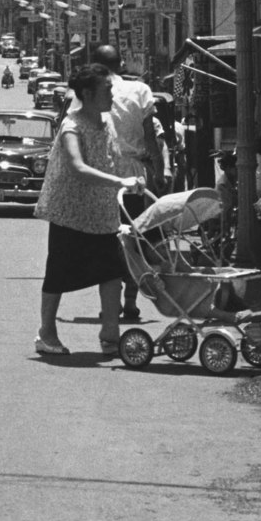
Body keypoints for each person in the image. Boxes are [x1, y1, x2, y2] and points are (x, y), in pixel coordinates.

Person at [32, 63, 145, 356]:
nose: (112, 94)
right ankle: (46, 333)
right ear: (87, 93)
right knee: (58, 272)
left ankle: (110, 333)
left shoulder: (105, 123)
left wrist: (135, 177)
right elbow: (78, 167)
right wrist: (121, 180)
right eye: (107, 89)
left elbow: (110, 159)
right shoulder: (72, 126)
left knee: (111, 273)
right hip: (70, 212)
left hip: (101, 212)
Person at [70, 45, 162, 322]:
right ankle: (130, 301)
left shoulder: (86, 94)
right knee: (133, 238)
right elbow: (150, 136)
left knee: (107, 242)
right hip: (134, 177)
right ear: (121, 64)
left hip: (100, 176)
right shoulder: (140, 90)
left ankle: (109, 303)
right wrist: (158, 172)